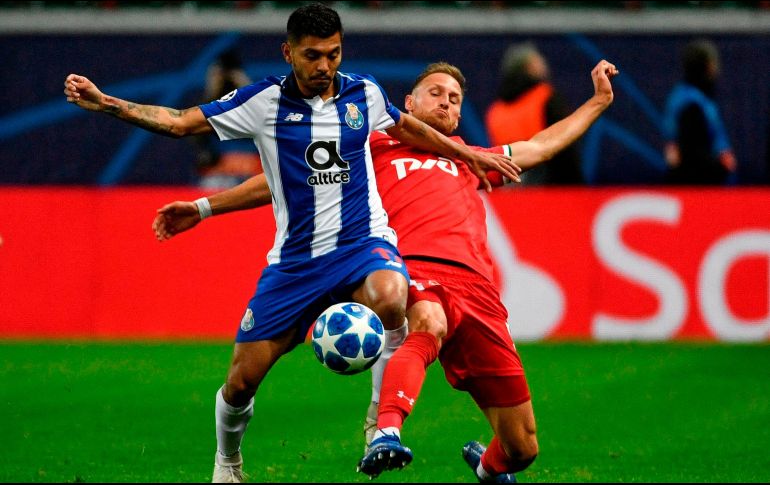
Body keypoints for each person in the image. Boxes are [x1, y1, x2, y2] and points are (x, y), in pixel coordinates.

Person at [64, 4, 518, 483]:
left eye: (334, 53)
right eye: (313, 55)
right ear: (288, 53)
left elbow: (410, 128)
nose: (325, 66)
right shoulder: (261, 104)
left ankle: (377, 426)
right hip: (295, 265)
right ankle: (228, 462)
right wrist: (110, 104)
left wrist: (465, 151)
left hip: (362, 245)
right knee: (240, 384)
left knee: (392, 296)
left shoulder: (363, 93)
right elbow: (180, 122)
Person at [151, 59, 618, 482]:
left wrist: (597, 101)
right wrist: (206, 207)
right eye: (435, 92)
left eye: (455, 99)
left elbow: (541, 146)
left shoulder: (472, 160)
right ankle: (384, 430)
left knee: (522, 446)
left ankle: (487, 467)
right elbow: (279, 181)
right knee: (427, 322)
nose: (446, 102)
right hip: (407, 269)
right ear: (409, 103)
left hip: (478, 290)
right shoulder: (370, 144)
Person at [485, 42, 585, 185]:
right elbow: (565, 145)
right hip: (549, 185)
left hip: (510, 188)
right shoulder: (546, 97)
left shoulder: (495, 110)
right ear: (529, 67)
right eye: (538, 61)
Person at [662, 38, 737, 185]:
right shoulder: (691, 105)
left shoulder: (683, 96)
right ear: (707, 66)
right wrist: (721, 166)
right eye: (713, 64)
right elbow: (691, 154)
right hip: (698, 188)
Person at [192, 48, 263, 190]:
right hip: (217, 178)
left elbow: (268, 121)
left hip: (252, 175)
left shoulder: (253, 107)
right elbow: (196, 133)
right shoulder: (210, 109)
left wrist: (246, 87)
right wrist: (212, 91)